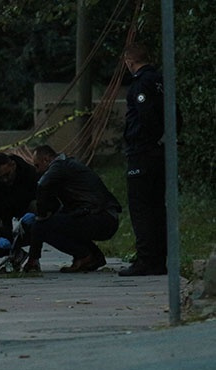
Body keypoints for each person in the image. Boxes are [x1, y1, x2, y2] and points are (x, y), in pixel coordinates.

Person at [22, 145, 121, 273]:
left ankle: (82, 256)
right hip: (103, 216)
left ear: (46, 159)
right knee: (56, 223)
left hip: (99, 216)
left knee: (41, 226)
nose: (37, 170)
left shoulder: (59, 166)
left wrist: (41, 215)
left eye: (37, 165)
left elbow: (42, 185)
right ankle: (93, 256)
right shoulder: (68, 166)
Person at [118, 43, 168, 276]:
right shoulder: (161, 81)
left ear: (129, 61)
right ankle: (158, 260)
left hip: (142, 153)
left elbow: (146, 116)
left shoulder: (140, 84)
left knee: (142, 208)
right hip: (159, 153)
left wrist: (145, 142)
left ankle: (146, 260)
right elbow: (174, 113)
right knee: (157, 207)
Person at [0, 152, 38, 272]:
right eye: (0, 177)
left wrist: (37, 214)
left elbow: (44, 198)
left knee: (36, 206)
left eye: (7, 175)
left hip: (31, 222)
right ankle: (16, 254)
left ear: (13, 165)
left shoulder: (30, 173)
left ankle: (34, 258)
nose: (5, 180)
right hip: (8, 225)